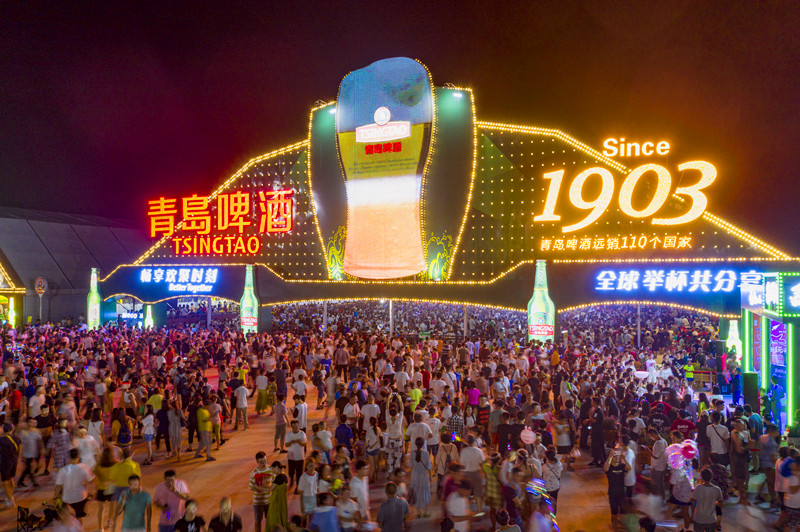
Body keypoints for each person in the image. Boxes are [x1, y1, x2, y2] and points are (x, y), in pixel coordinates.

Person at [54, 448, 95, 523]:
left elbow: (58, 486)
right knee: (79, 517)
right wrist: (85, 483)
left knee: (67, 516)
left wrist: (55, 497)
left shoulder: (63, 470)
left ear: (69, 457)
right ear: (79, 457)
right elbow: (91, 480)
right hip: (81, 497)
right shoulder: (85, 467)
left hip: (67, 498)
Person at [604, 444, 631, 531]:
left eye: (618, 456)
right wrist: (610, 456)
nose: (616, 458)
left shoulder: (621, 466)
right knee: (614, 513)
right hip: (612, 493)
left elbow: (629, 468)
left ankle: (622, 526)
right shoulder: (609, 467)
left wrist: (624, 458)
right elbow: (605, 468)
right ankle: (615, 528)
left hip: (622, 492)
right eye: (615, 456)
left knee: (623, 512)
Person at [249, 451, 274, 532]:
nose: (264, 463)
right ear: (257, 461)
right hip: (258, 501)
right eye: (261, 462)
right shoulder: (254, 473)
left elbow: (276, 481)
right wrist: (257, 489)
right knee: (258, 520)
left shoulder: (271, 470)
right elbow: (251, 486)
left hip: (269, 499)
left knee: (270, 519)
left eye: (265, 461)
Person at [408, 436, 432, 516]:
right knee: (424, 492)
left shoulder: (412, 453)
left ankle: (418, 512)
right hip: (424, 475)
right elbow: (429, 466)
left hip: (415, 475)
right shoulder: (426, 453)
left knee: (416, 492)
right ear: (423, 444)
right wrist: (431, 476)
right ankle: (425, 512)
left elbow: (410, 465)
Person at [1, 421, 21, 507]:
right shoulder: (17, 438)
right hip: (14, 461)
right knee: (11, 479)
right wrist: (18, 460)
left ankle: (9, 499)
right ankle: (11, 496)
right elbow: (20, 450)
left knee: (5, 482)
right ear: (12, 429)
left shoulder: (1, 440)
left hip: (4, 462)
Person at [266, 462, 289, 532]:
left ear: (276, 467)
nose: (272, 471)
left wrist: (258, 487)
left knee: (273, 520)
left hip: (276, 502)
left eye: (273, 469)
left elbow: (269, 489)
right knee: (282, 518)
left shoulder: (278, 477)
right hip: (283, 501)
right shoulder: (284, 476)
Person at [286, 420, 307, 489]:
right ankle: (291, 480)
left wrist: (299, 441)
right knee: (291, 471)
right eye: (293, 427)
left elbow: (304, 444)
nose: (295, 428)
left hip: (300, 457)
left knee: (299, 472)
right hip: (291, 457)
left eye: (296, 426)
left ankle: (298, 485)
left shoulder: (302, 434)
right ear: (291, 427)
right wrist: (292, 441)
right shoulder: (289, 434)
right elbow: (286, 444)